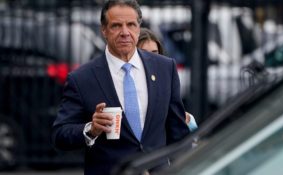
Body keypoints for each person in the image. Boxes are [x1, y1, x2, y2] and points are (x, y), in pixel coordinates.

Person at [51, 1, 190, 175]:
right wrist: (90, 130)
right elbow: (60, 135)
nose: (125, 32)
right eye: (116, 26)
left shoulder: (165, 68)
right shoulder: (81, 79)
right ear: (104, 31)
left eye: (131, 24)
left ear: (138, 28)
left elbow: (178, 132)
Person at [137, 27, 198, 132]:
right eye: (144, 53)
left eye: (154, 52)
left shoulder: (166, 79)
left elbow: (177, 118)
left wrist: (188, 121)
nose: (150, 58)